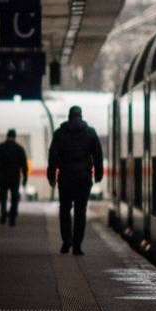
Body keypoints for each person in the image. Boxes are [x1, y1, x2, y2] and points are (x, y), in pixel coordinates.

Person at [47, 106, 103, 255]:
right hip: (83, 178)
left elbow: (52, 155)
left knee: (64, 210)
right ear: (81, 116)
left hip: (65, 178)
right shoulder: (90, 133)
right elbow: (98, 155)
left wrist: (51, 175)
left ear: (69, 116)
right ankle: (77, 246)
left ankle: (66, 242)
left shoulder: (59, 134)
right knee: (80, 211)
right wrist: (99, 174)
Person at [0, 130, 28, 227]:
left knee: (3, 196)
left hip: (3, 176)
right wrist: (25, 178)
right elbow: (24, 165)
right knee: (14, 198)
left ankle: (3, 212)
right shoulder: (19, 149)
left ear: (7, 136)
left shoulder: (0, 147)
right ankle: (12, 217)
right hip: (15, 177)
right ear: (15, 137)